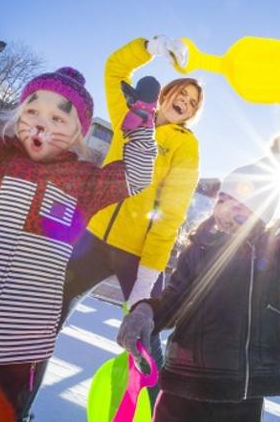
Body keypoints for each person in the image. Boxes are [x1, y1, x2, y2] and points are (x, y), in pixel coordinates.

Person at [0, 18, 157, 422]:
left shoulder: (83, 182)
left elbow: (137, 175)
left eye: (59, 119)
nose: (41, 122)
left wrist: (141, 120)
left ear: (79, 135)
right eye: (33, 109)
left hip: (6, 359)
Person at [25, 35, 205, 413]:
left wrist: (149, 272)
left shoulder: (186, 146)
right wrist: (150, 47)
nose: (184, 104)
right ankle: (17, 402)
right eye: (181, 95)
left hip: (138, 255)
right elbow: (115, 69)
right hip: (91, 237)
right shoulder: (131, 115)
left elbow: (171, 212)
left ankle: (161, 417)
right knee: (41, 321)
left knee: (146, 343)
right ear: (167, 93)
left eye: (191, 104)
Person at [116, 153, 280, 422]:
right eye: (224, 200)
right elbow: (173, 300)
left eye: (240, 205)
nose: (228, 210)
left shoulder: (277, 251)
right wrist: (146, 311)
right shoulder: (198, 250)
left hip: (240, 394)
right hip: (183, 384)